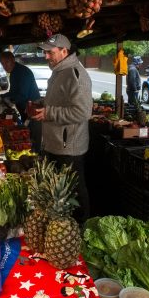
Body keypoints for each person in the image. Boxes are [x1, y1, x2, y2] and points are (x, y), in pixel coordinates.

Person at [32, 34, 93, 222]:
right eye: (45, 52)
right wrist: (43, 104)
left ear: (64, 51)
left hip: (69, 148)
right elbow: (62, 102)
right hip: (56, 144)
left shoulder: (75, 74)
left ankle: (83, 229)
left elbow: (83, 112)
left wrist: (50, 113)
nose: (46, 56)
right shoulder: (60, 71)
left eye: (50, 52)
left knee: (75, 191)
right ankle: (65, 226)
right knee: (61, 194)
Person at [0, 51, 42, 152]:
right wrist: (0, 96)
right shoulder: (13, 73)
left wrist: (10, 101)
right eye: (3, 64)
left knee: (33, 139)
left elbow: (23, 95)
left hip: (33, 111)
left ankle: (36, 158)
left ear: (13, 60)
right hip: (24, 109)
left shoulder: (23, 72)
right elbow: (13, 92)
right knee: (24, 135)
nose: (5, 66)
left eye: (7, 62)